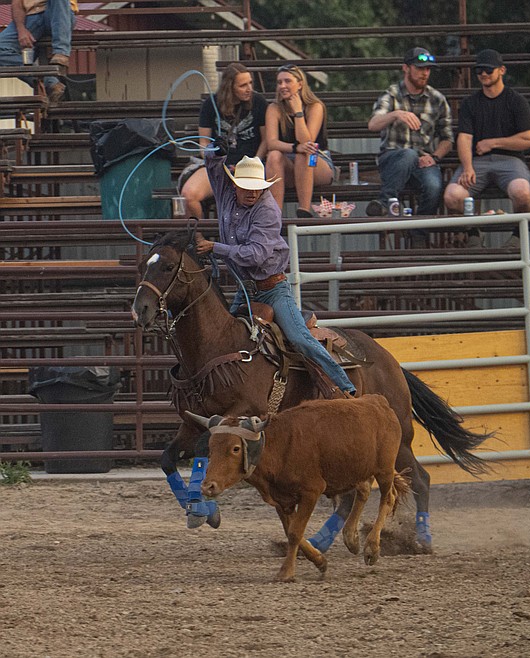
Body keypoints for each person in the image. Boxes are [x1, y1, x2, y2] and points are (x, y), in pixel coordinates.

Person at [183, 144, 357, 528]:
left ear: (263, 187)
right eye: (243, 186)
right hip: (245, 290)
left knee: (298, 337)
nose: (248, 191)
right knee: (218, 344)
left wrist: (217, 247)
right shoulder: (229, 192)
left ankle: (343, 387)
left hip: (271, 288)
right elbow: (213, 169)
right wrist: (215, 151)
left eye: (254, 186)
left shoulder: (267, 210)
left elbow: (258, 253)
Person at [444, 49, 530, 249]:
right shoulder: (470, 103)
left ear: (501, 70)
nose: (483, 74)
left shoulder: (516, 101)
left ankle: (517, 237)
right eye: (479, 71)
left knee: (522, 193)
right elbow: (464, 138)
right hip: (478, 162)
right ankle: (473, 233)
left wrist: (493, 143)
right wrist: (467, 167)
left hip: (511, 161)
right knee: (452, 195)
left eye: (488, 69)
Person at [367, 47, 454, 247]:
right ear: (406, 68)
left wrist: (435, 157)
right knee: (407, 154)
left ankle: (419, 233)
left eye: (428, 69)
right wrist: (396, 114)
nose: (425, 73)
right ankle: (386, 202)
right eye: (420, 68)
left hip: (424, 159)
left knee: (434, 186)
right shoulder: (392, 94)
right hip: (394, 156)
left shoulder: (438, 99)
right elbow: (373, 124)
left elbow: (447, 138)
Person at [179, 62, 268, 219]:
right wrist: (213, 155)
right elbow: (203, 143)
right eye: (243, 85)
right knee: (189, 194)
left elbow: (266, 141)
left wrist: (253, 164)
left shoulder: (258, 102)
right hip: (219, 165)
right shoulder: (211, 105)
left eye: (250, 83)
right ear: (230, 87)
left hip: (249, 166)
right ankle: (198, 239)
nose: (249, 89)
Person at [265, 63, 334, 218]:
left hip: (317, 160)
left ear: (300, 84)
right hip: (289, 162)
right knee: (274, 155)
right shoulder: (274, 109)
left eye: (287, 81)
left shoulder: (315, 106)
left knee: (305, 154)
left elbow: (307, 141)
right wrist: (295, 148)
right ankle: (275, 215)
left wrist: (298, 112)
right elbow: (271, 143)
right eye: (279, 82)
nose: (282, 86)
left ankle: (304, 209)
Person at [0, 0, 77, 103]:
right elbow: (17, 3)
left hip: (60, 13)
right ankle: (50, 83)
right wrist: (21, 29)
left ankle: (61, 51)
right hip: (31, 16)